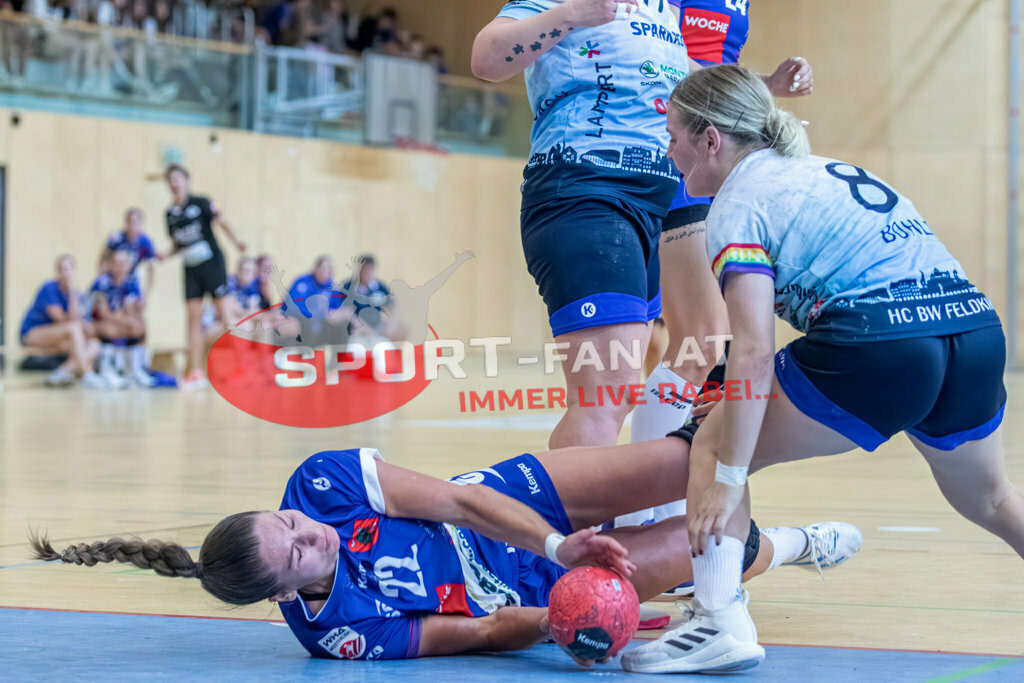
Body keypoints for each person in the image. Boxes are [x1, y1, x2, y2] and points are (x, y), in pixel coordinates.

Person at [621, 64, 1024, 675]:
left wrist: (729, 473)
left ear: (710, 139)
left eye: (674, 134)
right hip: (973, 334)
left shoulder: (737, 205)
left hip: (881, 344)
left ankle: (716, 622)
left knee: (711, 439)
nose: (667, 149)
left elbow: (751, 349)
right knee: (992, 500)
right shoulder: (824, 172)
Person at [32, 428, 862, 662]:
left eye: (283, 520)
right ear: (288, 594)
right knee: (716, 533)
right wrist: (561, 616)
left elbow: (462, 501)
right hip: (521, 590)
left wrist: (555, 540)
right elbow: (470, 633)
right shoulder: (340, 633)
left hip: (511, 504)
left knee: (692, 459)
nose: (305, 529)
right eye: (296, 551)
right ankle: (789, 544)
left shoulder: (320, 483)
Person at [473, 0, 703, 450]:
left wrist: (763, 94)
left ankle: (610, 514)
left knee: (618, 394)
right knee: (605, 395)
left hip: (651, 206)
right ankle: (566, 519)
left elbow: (687, 84)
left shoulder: (662, 12)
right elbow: (486, 58)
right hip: (586, 189)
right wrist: (575, 13)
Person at [625, 0, 815, 529]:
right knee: (695, 341)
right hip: (674, 148)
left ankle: (650, 507)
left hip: (714, 140)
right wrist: (750, 93)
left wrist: (764, 85)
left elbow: (709, 64)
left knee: (699, 343)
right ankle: (642, 510)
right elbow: (657, 57)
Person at [162, 163, 246, 391]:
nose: (174, 182)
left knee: (226, 315)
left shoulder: (201, 203)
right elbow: (177, 243)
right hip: (190, 269)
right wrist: (165, 254)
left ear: (186, 181)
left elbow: (222, 221)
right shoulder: (170, 213)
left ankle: (243, 368)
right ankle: (196, 372)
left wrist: (236, 241)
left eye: (178, 178)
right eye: (170, 179)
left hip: (212, 264)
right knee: (192, 320)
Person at [19, 254, 104, 388]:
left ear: (74, 270)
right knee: (74, 328)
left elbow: (81, 322)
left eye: (69, 268)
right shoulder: (49, 288)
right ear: (57, 271)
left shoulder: (77, 294)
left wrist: (72, 293)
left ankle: (62, 372)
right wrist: (71, 292)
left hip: (60, 337)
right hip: (33, 333)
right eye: (62, 269)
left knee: (94, 344)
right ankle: (86, 374)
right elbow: (62, 320)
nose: (66, 272)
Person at [90, 249, 150, 388]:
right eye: (116, 263)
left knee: (139, 326)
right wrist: (119, 317)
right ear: (110, 265)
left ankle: (134, 370)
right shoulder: (102, 282)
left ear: (129, 265)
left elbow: (131, 313)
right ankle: (106, 370)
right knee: (111, 328)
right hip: (93, 323)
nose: (120, 266)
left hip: (116, 322)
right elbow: (103, 313)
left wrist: (125, 318)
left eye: (123, 263)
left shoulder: (130, 284)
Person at [101, 208, 157, 300]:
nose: (132, 224)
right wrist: (102, 277)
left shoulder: (146, 242)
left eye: (135, 221)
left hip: (131, 278)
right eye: (130, 220)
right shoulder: (116, 237)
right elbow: (103, 259)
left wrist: (147, 293)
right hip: (113, 277)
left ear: (141, 223)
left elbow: (150, 268)